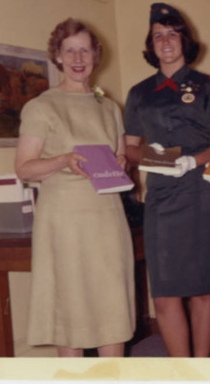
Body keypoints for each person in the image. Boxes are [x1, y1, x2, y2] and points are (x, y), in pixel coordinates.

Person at [15, 18, 136, 357]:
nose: (78, 57)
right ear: (57, 56)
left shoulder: (109, 107)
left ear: (95, 56)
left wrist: (121, 161)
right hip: (64, 221)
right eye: (69, 50)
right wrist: (63, 160)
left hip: (107, 217)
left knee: (112, 305)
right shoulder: (41, 106)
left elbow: (120, 154)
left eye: (84, 49)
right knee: (71, 309)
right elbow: (24, 167)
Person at [123, 3, 210, 357]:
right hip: (162, 199)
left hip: (205, 195)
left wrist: (190, 161)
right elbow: (128, 150)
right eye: (158, 35)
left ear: (185, 41)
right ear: (150, 44)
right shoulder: (139, 93)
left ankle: (201, 368)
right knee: (165, 292)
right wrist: (158, 159)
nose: (166, 41)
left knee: (205, 290)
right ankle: (181, 371)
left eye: (172, 33)